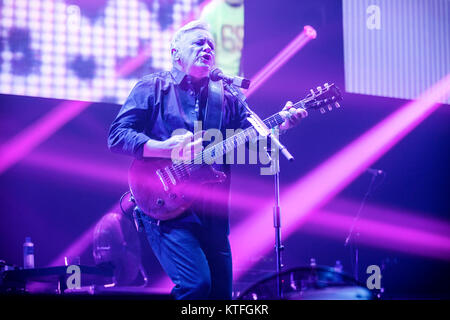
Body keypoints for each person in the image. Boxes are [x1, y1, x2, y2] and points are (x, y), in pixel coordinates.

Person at [107, 20, 306, 300]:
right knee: (196, 286)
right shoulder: (152, 87)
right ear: (176, 53)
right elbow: (117, 136)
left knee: (222, 294)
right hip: (164, 203)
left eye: (211, 45)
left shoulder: (226, 95)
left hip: (213, 210)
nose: (207, 48)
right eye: (199, 43)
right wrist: (163, 148)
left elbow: (255, 139)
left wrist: (282, 124)